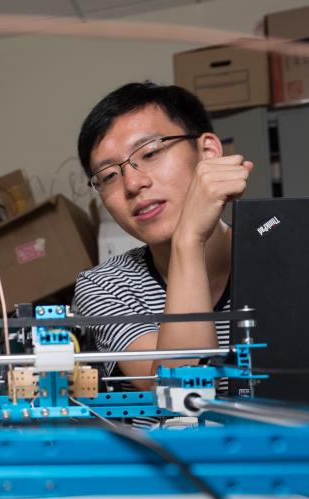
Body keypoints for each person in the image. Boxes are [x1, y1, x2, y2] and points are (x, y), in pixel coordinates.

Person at [74, 82, 253, 391]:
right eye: (109, 176)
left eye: (151, 152)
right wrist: (188, 240)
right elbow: (182, 395)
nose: (132, 184)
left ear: (207, 151)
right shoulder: (105, 287)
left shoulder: (285, 258)